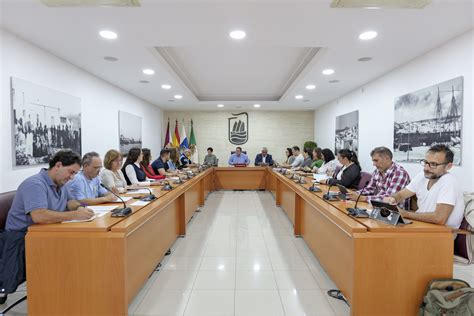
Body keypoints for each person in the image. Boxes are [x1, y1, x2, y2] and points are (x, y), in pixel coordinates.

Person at [5, 150, 95, 231]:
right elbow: (39, 216)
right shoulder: (35, 184)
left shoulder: (61, 182)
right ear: (58, 165)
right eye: (71, 172)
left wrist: (79, 208)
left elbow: (70, 201)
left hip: (45, 231)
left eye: (75, 174)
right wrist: (75, 215)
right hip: (21, 236)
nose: (72, 177)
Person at [383, 145, 464, 229]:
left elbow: (439, 218)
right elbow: (401, 195)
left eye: (433, 164)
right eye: (425, 162)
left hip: (441, 234)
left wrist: (405, 214)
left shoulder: (449, 182)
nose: (426, 168)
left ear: (448, 166)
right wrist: (392, 199)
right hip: (421, 226)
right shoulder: (422, 176)